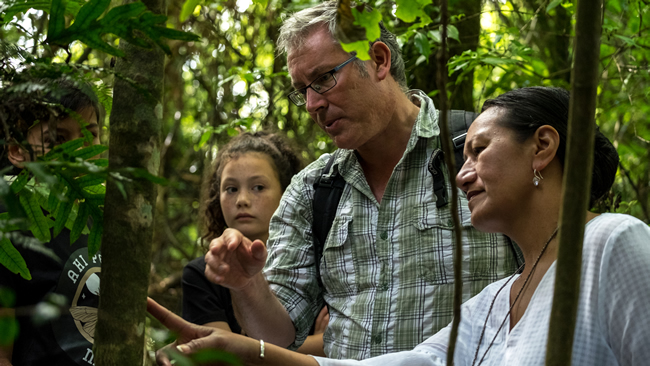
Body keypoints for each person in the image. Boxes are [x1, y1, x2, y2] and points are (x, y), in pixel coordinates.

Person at [148, 86, 650, 366]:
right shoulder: (496, 301)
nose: (462, 171)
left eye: (478, 150)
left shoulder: (613, 243)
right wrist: (246, 350)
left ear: (542, 146)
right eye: (462, 153)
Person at [201, 0, 520, 360]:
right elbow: (277, 336)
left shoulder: (477, 149)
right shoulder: (313, 189)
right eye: (302, 89)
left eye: (323, 78)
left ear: (379, 60)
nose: (311, 104)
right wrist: (246, 284)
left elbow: (549, 280)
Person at [181, 132, 329, 356]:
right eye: (231, 189)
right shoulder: (203, 275)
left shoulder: (321, 263)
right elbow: (221, 357)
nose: (242, 200)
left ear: (288, 193)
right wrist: (319, 343)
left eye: (258, 187)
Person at [0, 78, 103, 366]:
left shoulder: (101, 220)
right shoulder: (9, 218)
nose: (80, 152)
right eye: (58, 139)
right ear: (17, 151)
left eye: (90, 136)